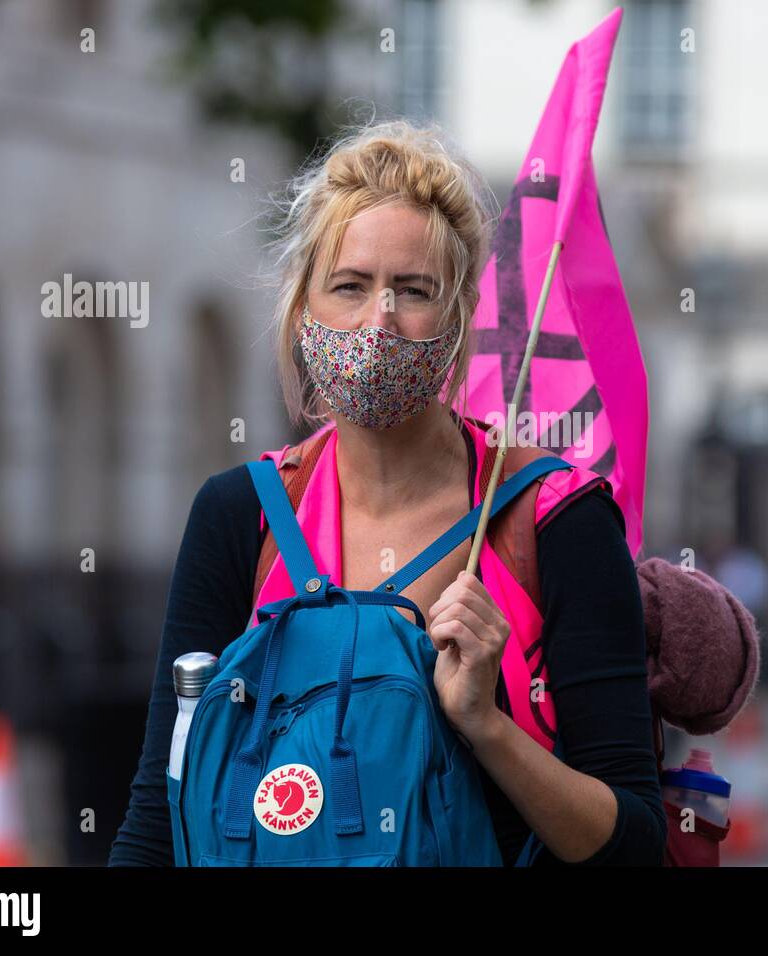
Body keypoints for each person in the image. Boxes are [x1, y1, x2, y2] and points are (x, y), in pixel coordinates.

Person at [108, 118, 665, 866]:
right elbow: (159, 807)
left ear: (461, 314)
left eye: (414, 290)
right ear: (303, 307)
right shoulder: (240, 514)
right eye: (350, 286)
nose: (381, 320)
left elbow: (629, 841)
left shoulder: (554, 519)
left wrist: (486, 725)